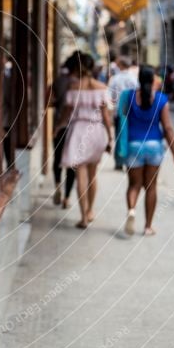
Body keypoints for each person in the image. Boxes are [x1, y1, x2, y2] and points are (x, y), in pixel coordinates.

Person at [118, 65, 174, 236]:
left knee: (134, 185)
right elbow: (168, 128)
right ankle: (148, 227)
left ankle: (131, 210)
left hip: (133, 145)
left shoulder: (129, 96)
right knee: (151, 187)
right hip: (154, 146)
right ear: (153, 79)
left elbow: (121, 121)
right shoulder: (161, 99)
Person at [59, 53, 113, 229]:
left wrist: (57, 127)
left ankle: (83, 217)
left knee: (80, 175)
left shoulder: (73, 88)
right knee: (92, 174)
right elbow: (106, 117)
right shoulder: (101, 87)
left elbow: (66, 116)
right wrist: (110, 138)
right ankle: (90, 210)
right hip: (96, 131)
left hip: (78, 131)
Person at [47, 54, 77, 207]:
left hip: (60, 126)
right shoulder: (82, 84)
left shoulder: (59, 81)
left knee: (57, 158)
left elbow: (49, 101)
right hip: (77, 128)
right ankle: (67, 197)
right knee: (72, 163)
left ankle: (58, 185)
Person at [107, 57, 139, 171]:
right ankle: (129, 160)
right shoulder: (133, 79)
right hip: (132, 112)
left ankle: (119, 162)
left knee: (119, 135)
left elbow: (109, 97)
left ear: (120, 65)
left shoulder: (115, 79)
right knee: (130, 135)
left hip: (119, 112)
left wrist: (110, 112)